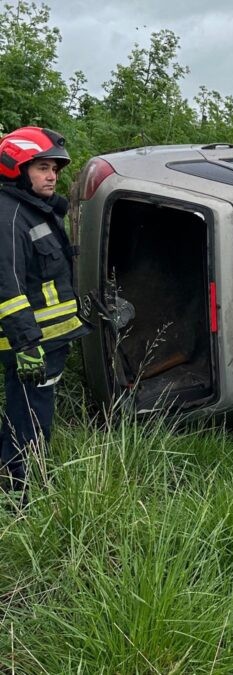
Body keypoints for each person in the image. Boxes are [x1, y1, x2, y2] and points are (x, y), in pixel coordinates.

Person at [0, 126, 89, 500]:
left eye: (54, 168)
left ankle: (15, 478)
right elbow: (8, 286)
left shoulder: (32, 210)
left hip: (48, 341)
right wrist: (26, 344)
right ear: (15, 168)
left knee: (28, 414)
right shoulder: (9, 215)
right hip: (33, 345)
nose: (52, 175)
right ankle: (23, 495)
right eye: (41, 167)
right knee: (31, 419)